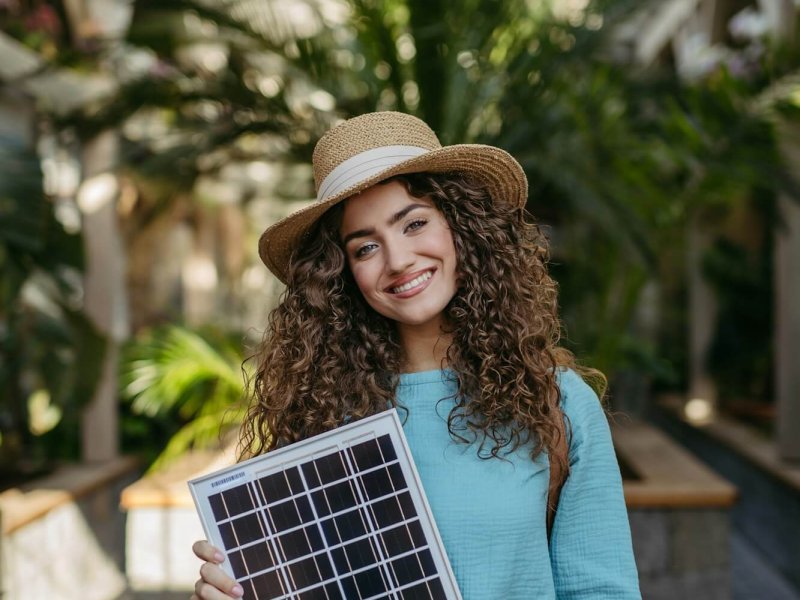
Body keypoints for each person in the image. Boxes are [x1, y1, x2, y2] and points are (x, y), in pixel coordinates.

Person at [191, 111, 641, 599]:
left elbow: (602, 590)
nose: (398, 260)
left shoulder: (559, 403)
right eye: (365, 248)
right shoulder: (320, 415)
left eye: (415, 223)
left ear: (462, 229)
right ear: (341, 275)